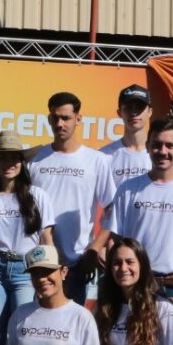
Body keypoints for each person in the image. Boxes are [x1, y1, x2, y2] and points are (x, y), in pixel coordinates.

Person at [103, 118, 173, 306]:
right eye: (157, 145)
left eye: (169, 146)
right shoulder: (128, 188)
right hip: (134, 285)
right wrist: (111, 286)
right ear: (147, 146)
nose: (162, 152)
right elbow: (114, 240)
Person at [28, 92, 115, 304]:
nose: (60, 123)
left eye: (66, 118)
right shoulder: (34, 159)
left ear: (78, 119)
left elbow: (112, 210)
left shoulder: (97, 161)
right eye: (55, 118)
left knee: (68, 332)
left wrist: (94, 250)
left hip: (76, 264)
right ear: (49, 120)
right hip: (37, 262)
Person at [0, 130, 53, 339]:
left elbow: (46, 239)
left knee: (23, 326)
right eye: (3, 158)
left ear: (22, 162)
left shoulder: (38, 196)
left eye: (14, 158)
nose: (8, 163)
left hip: (26, 270)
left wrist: (49, 270)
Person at [100, 84, 153, 188]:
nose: (134, 113)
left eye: (139, 107)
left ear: (150, 112)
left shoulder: (162, 156)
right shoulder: (104, 156)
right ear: (119, 113)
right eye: (128, 108)